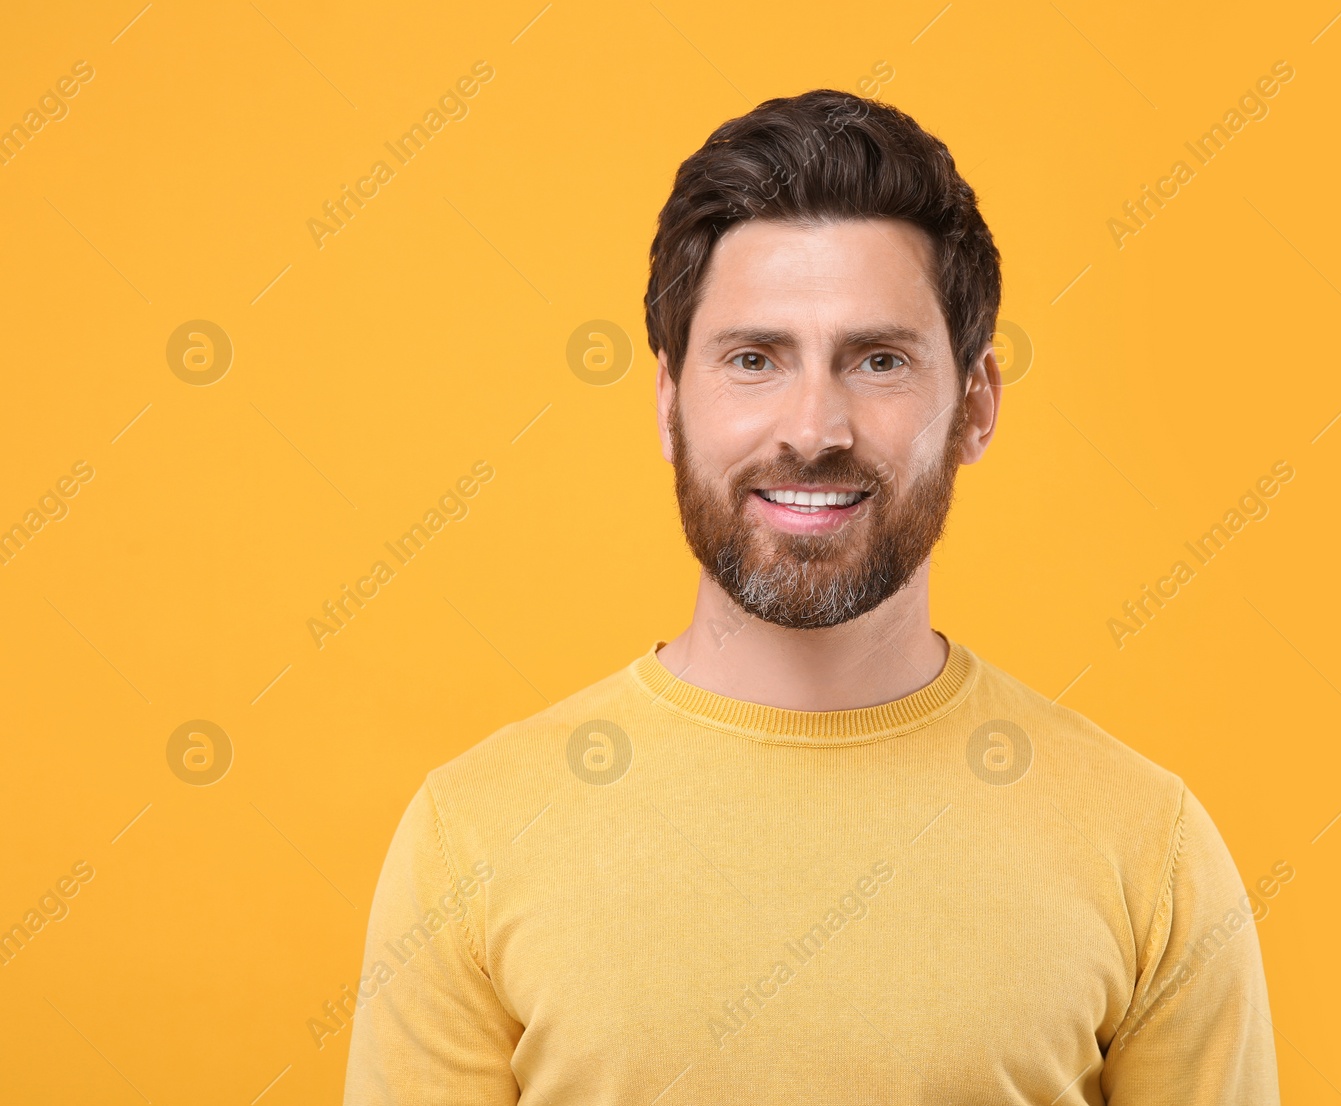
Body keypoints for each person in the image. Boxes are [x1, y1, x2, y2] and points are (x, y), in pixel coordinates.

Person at [344, 88, 1279, 1104]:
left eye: (877, 360)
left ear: (975, 402)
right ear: (669, 402)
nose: (813, 426)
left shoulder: (1148, 847)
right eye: (754, 359)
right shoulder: (470, 837)